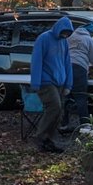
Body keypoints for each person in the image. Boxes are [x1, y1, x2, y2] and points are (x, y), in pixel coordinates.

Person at [29, 16, 74, 153]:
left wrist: (68, 84)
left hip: (60, 82)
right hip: (45, 81)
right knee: (55, 106)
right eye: (64, 32)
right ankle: (40, 137)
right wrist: (36, 82)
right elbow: (36, 60)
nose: (65, 35)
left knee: (59, 112)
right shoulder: (44, 39)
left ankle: (50, 140)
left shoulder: (64, 42)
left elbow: (67, 63)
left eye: (68, 33)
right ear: (59, 28)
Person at [64, 24, 93, 131]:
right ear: (90, 32)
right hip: (78, 69)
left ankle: (63, 124)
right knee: (81, 97)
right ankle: (85, 125)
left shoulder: (69, 38)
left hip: (64, 68)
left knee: (65, 96)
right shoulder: (88, 39)